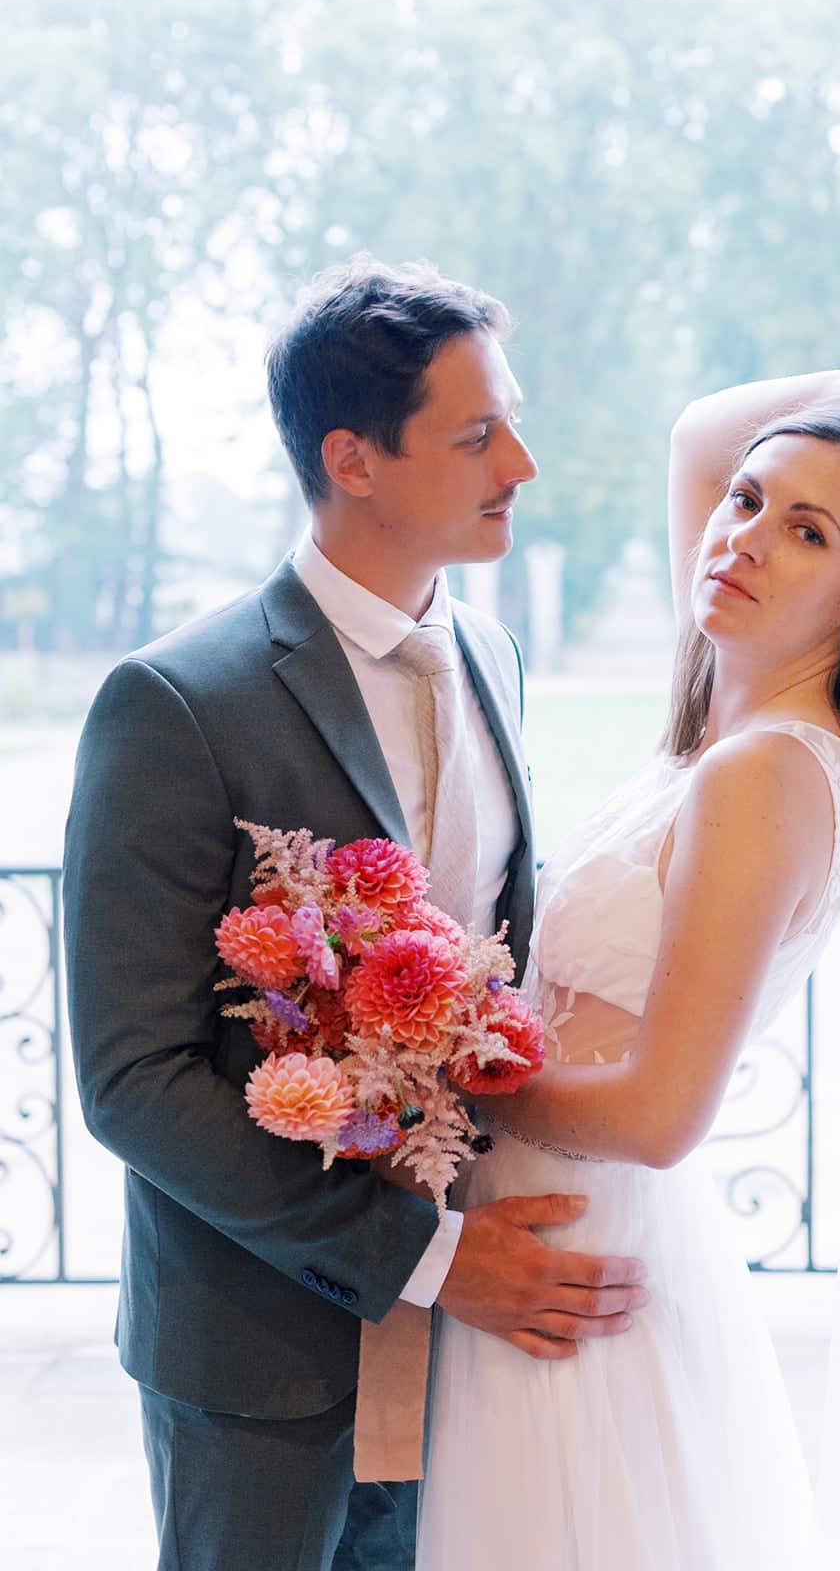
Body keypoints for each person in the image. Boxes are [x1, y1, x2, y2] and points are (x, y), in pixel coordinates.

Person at [61, 257, 649, 1571]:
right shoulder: (176, 703)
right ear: (353, 459)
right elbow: (131, 1079)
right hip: (259, 1348)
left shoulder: (491, 654)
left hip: (475, 1340)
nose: (522, 465)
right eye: (476, 435)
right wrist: (420, 1257)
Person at [414, 368, 840, 1569]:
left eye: (807, 531)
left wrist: (436, 1069)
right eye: (746, 500)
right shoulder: (724, 722)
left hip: (571, 1248)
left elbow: (660, 1113)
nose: (743, 540)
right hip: (545, 1232)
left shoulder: (761, 771)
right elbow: (694, 435)